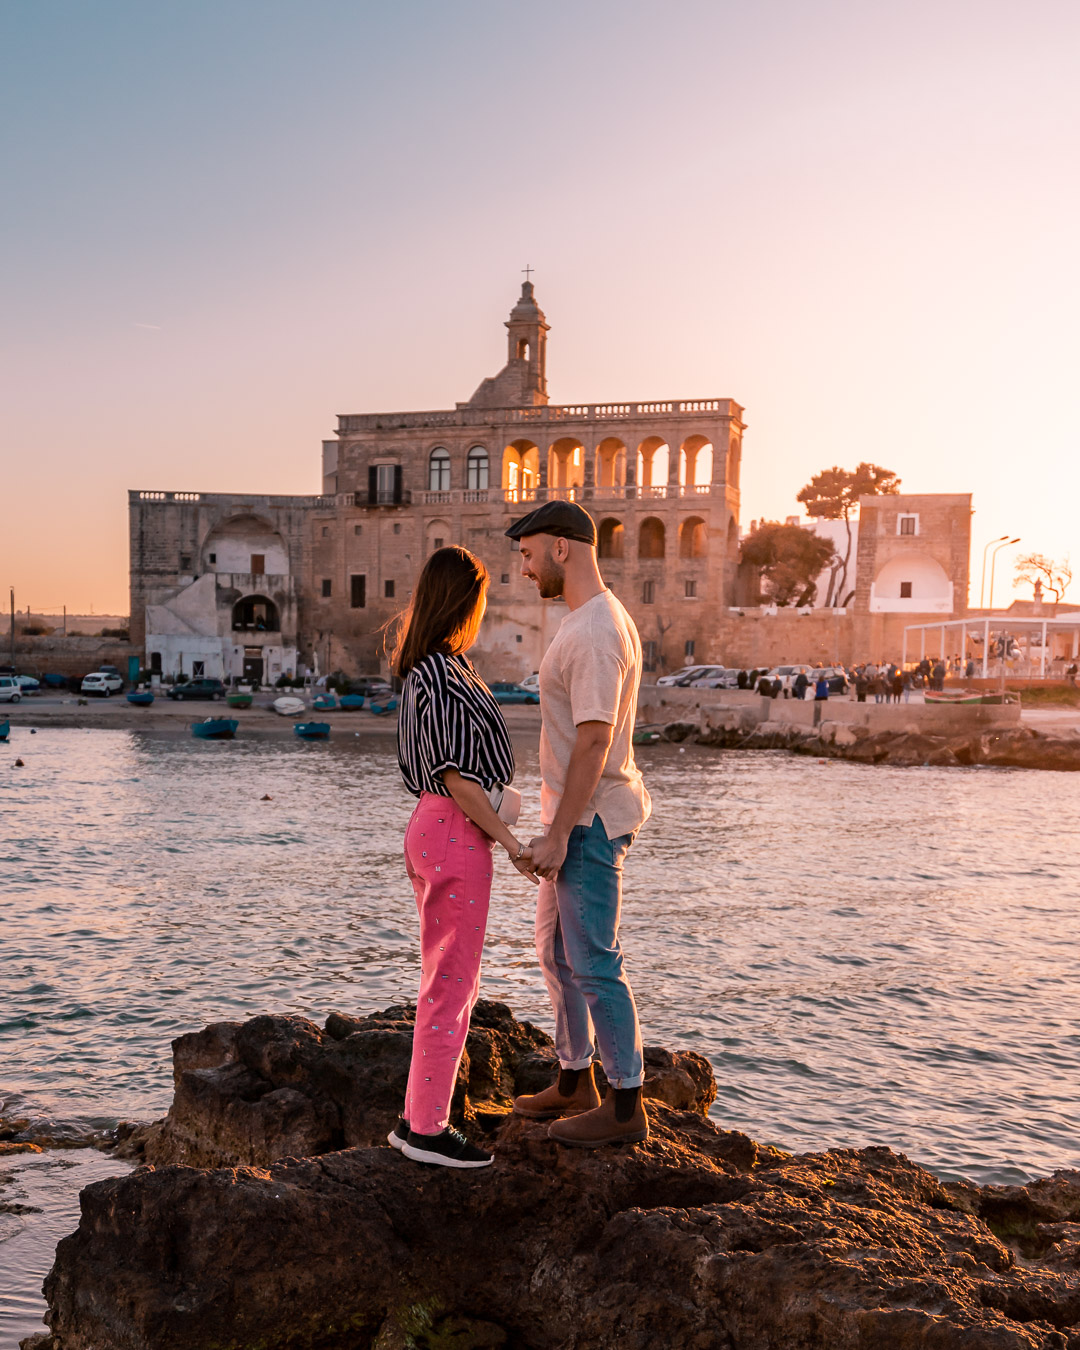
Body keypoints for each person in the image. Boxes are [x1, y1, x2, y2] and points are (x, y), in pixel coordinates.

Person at [506, 501, 652, 1148]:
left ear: (562, 549)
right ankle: (575, 1078)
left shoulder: (595, 631)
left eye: (528, 552)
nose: (524, 565)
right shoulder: (584, 623)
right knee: (555, 952)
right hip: (570, 816)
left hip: (589, 821)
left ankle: (625, 1106)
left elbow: (594, 743)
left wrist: (561, 833)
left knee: (593, 959)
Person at [389, 546, 538, 1170]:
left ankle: (414, 1120)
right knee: (453, 987)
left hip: (433, 826)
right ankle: (426, 1129)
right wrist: (512, 842)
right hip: (455, 827)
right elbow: (455, 774)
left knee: (443, 981)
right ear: (466, 599)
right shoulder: (444, 673)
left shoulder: (427, 668)